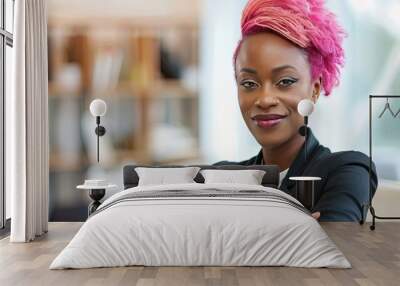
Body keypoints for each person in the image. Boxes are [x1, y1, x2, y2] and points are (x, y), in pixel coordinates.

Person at [213, 0, 378, 222]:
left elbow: (331, 249)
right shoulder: (218, 177)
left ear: (315, 89)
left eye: (285, 81)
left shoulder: (348, 170)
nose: (265, 100)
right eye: (249, 83)